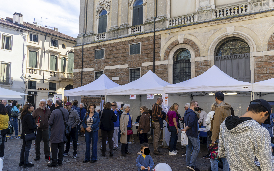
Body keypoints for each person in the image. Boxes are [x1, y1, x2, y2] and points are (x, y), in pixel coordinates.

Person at [219, 99, 273, 170]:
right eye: (266, 118)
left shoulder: (224, 125)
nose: (264, 121)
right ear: (263, 113)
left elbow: (222, 153)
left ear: (247, 109)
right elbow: (267, 167)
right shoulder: (261, 131)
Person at [210, 92, 231, 171]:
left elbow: (216, 125)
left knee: (214, 158)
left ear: (216, 98)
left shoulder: (219, 108)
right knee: (225, 158)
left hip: (219, 136)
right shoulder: (228, 108)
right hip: (226, 135)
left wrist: (213, 139)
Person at [48, 100, 69, 167]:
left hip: (55, 132)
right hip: (63, 132)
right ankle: (60, 161)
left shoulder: (54, 112)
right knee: (61, 147)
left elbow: (50, 122)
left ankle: (54, 162)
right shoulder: (66, 111)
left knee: (54, 148)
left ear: (56, 104)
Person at [182, 101, 200, 171]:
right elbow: (190, 123)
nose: (197, 106)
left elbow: (185, 122)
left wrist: (185, 129)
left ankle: (188, 164)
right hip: (192, 133)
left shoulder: (186, 112)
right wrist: (186, 128)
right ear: (193, 105)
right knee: (197, 148)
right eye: (197, 105)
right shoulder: (192, 114)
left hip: (188, 133)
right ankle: (192, 165)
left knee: (189, 148)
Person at [19, 104, 36, 168]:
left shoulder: (24, 114)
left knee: (23, 148)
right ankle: (26, 162)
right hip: (28, 134)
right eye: (32, 106)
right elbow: (31, 126)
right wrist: (36, 126)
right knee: (27, 148)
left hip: (24, 134)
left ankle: (22, 161)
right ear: (28, 108)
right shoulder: (28, 116)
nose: (33, 107)